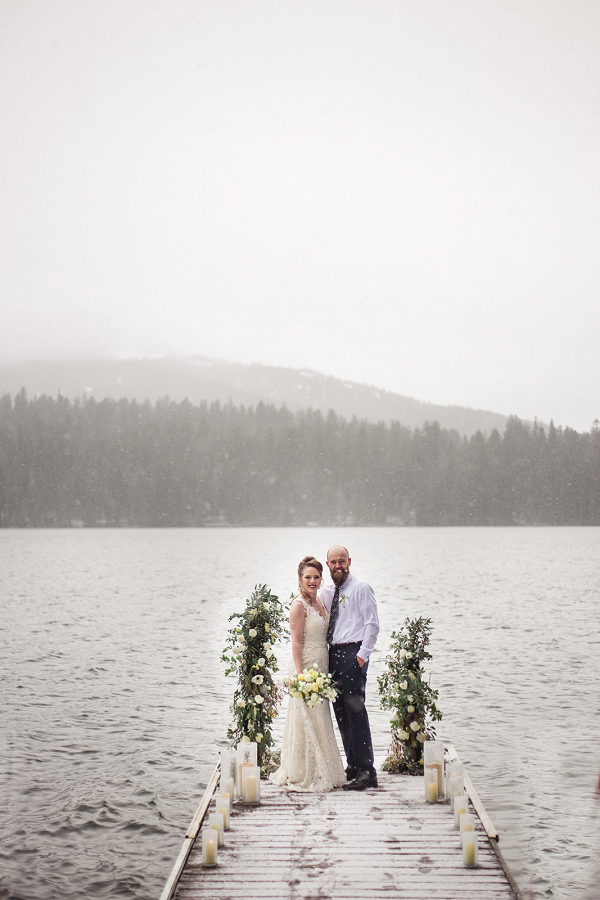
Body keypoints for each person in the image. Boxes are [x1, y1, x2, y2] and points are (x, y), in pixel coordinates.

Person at [270, 556, 346, 792]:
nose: (312, 581)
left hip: (321, 664)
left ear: (321, 579)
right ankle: (304, 771)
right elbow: (295, 643)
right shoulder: (299, 605)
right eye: (308, 577)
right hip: (305, 665)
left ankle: (325, 766)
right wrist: (300, 675)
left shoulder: (320, 603)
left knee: (320, 717)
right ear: (300, 579)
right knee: (305, 718)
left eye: (316, 577)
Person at [321, 545, 379, 791]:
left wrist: (362, 657)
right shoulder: (326, 591)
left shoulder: (361, 588)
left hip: (353, 653)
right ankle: (353, 766)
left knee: (356, 711)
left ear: (349, 561)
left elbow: (372, 625)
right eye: (333, 562)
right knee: (341, 713)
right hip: (332, 654)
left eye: (341, 561)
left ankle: (368, 771)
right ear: (328, 565)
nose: (338, 566)